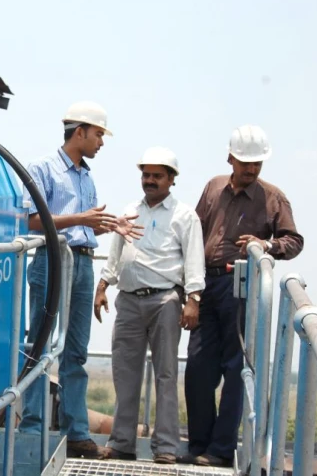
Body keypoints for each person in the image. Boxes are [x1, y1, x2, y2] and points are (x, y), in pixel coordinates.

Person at [20, 100, 142, 460]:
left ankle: (76, 433)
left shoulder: (86, 177)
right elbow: (32, 220)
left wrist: (107, 224)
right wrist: (81, 219)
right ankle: (32, 427)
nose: (101, 142)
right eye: (99, 134)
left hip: (83, 265)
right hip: (53, 261)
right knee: (39, 343)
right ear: (80, 133)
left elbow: (82, 224)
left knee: (76, 351)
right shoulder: (41, 169)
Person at [181, 125, 304, 467]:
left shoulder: (273, 198)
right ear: (230, 158)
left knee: (236, 369)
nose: (251, 169)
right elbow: (194, 235)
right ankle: (198, 445)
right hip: (205, 284)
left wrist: (266, 245)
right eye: (246, 163)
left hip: (242, 288)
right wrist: (188, 288)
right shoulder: (213, 188)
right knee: (198, 367)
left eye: (257, 164)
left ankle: (220, 451)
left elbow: (294, 241)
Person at [94, 147, 205, 464]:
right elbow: (116, 253)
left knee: (166, 375)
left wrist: (193, 299)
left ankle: (166, 447)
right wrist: (103, 286)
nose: (150, 181)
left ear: (172, 179)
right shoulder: (130, 210)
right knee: (124, 374)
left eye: (157, 176)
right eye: (146, 175)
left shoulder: (184, 216)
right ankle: (121, 443)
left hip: (165, 300)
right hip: (128, 300)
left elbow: (194, 260)